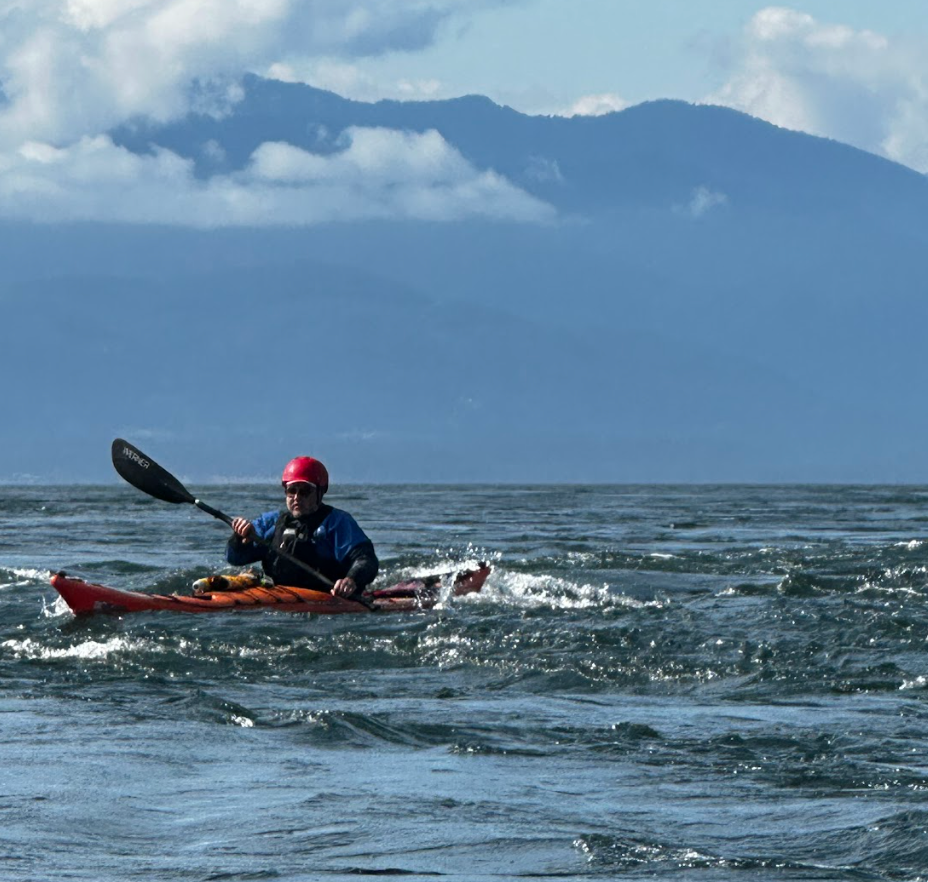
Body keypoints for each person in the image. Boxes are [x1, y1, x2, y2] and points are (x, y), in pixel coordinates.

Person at [226, 455, 378, 599]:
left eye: (305, 491)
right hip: (279, 595)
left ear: (320, 492)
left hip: (326, 595)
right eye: (292, 491)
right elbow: (234, 558)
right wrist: (238, 538)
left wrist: (351, 580)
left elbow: (366, 559)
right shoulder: (271, 522)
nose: (297, 497)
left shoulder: (337, 522)